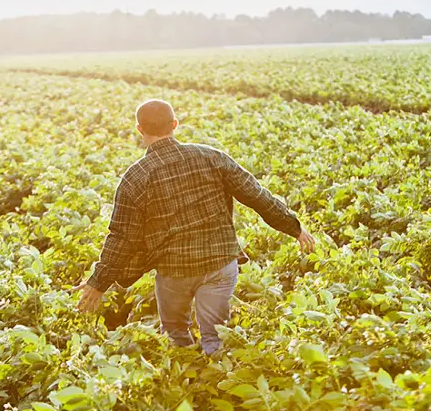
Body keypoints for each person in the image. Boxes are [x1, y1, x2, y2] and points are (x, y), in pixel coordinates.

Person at [74, 99, 315, 354]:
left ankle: (187, 383)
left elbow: (122, 237)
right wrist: (294, 228)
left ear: (139, 129)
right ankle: (216, 379)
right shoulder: (212, 156)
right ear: (175, 124)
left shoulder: (136, 177)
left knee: (175, 336)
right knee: (216, 338)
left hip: (175, 271)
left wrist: (98, 283)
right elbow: (256, 195)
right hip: (220, 263)